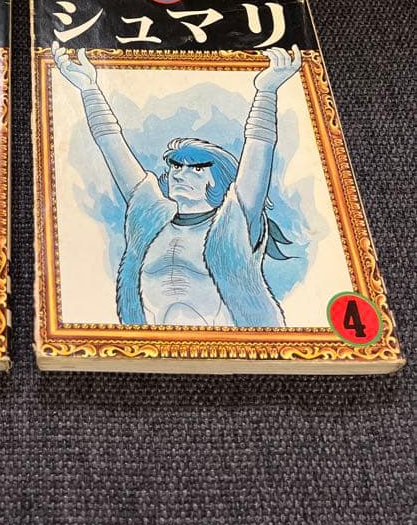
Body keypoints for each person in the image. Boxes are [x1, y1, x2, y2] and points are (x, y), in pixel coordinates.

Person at [51, 42, 302, 327]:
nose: (181, 174)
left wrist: (266, 92)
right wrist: (89, 89)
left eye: (197, 168)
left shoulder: (234, 223)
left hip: (228, 347)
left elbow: (258, 149)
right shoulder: (150, 218)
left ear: (217, 180)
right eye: (176, 166)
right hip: (150, 347)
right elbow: (111, 145)